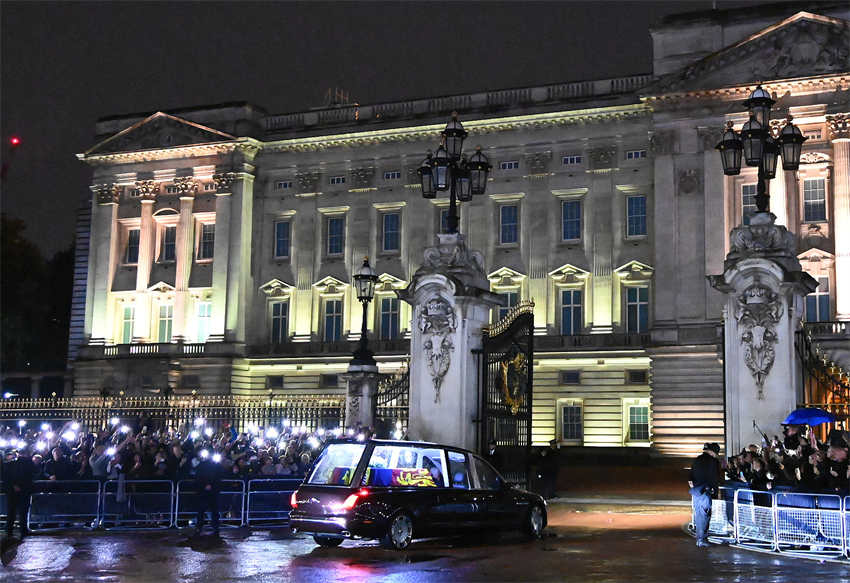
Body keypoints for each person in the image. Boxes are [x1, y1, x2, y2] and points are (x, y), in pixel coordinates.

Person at [689, 442, 721, 548]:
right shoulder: (713, 462)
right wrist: (716, 493)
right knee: (705, 515)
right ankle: (702, 539)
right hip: (705, 491)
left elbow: (690, 476)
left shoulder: (697, 460)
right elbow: (715, 478)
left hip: (696, 491)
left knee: (699, 515)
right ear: (713, 452)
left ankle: (700, 538)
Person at [2, 447, 36, 541]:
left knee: (12, 512)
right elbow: (33, 472)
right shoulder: (27, 462)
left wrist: (13, 485)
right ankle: (22, 531)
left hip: (14, 491)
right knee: (22, 512)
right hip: (24, 490)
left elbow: (7, 476)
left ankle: (9, 531)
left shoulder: (10, 463)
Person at [194, 454, 221, 536]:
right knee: (204, 510)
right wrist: (207, 485)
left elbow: (218, 477)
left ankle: (203, 526)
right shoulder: (203, 465)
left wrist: (208, 485)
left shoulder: (204, 465)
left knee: (208, 510)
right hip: (206, 490)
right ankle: (205, 526)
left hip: (209, 490)